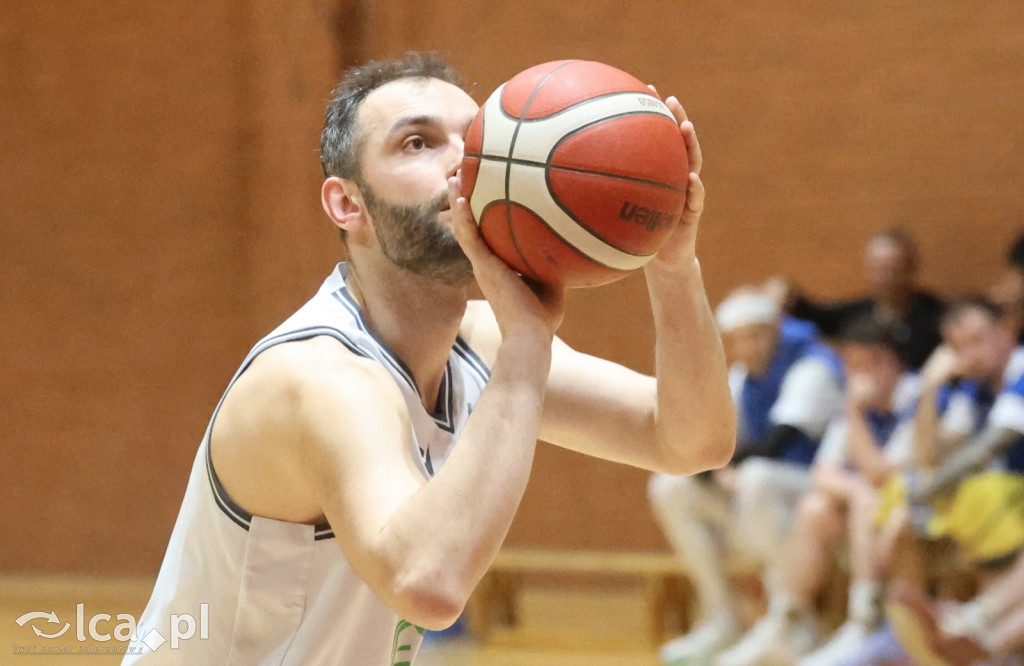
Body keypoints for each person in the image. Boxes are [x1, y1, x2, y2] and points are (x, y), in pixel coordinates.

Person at [123, 52, 735, 665]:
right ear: (347, 205)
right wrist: (527, 348)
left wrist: (673, 265)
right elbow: (429, 584)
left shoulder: (477, 341)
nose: (462, 164)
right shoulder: (318, 378)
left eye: (473, 140)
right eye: (417, 143)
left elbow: (688, 440)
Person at [649, 290, 844, 666]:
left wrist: (727, 468)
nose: (749, 347)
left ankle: (790, 619)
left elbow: (780, 439)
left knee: (756, 477)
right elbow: (719, 443)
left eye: (757, 335)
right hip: (761, 497)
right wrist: (703, 468)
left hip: (817, 493)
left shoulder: (812, 366)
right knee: (670, 486)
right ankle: (723, 615)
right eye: (739, 340)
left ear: (776, 331)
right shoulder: (742, 379)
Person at [714, 316, 921, 666]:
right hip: (869, 506)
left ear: (886, 362)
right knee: (816, 508)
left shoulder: (916, 396)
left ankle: (865, 625)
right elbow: (823, 472)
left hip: (920, 506)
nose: (850, 376)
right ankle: (786, 622)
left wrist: (853, 413)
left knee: (866, 502)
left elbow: (880, 473)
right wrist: (854, 488)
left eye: (858, 366)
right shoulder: (854, 402)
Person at [880, 296, 1024, 665]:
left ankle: (970, 630)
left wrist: (921, 493)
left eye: (978, 339)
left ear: (1007, 330)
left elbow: (984, 451)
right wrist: (929, 388)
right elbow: (930, 457)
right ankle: (973, 641)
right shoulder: (972, 391)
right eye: (959, 347)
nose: (971, 354)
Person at [766, 227, 944, 370]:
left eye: (891, 269)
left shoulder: (934, 315)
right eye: (875, 269)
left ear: (910, 269)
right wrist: (789, 294)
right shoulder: (858, 314)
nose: (881, 278)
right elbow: (818, 317)